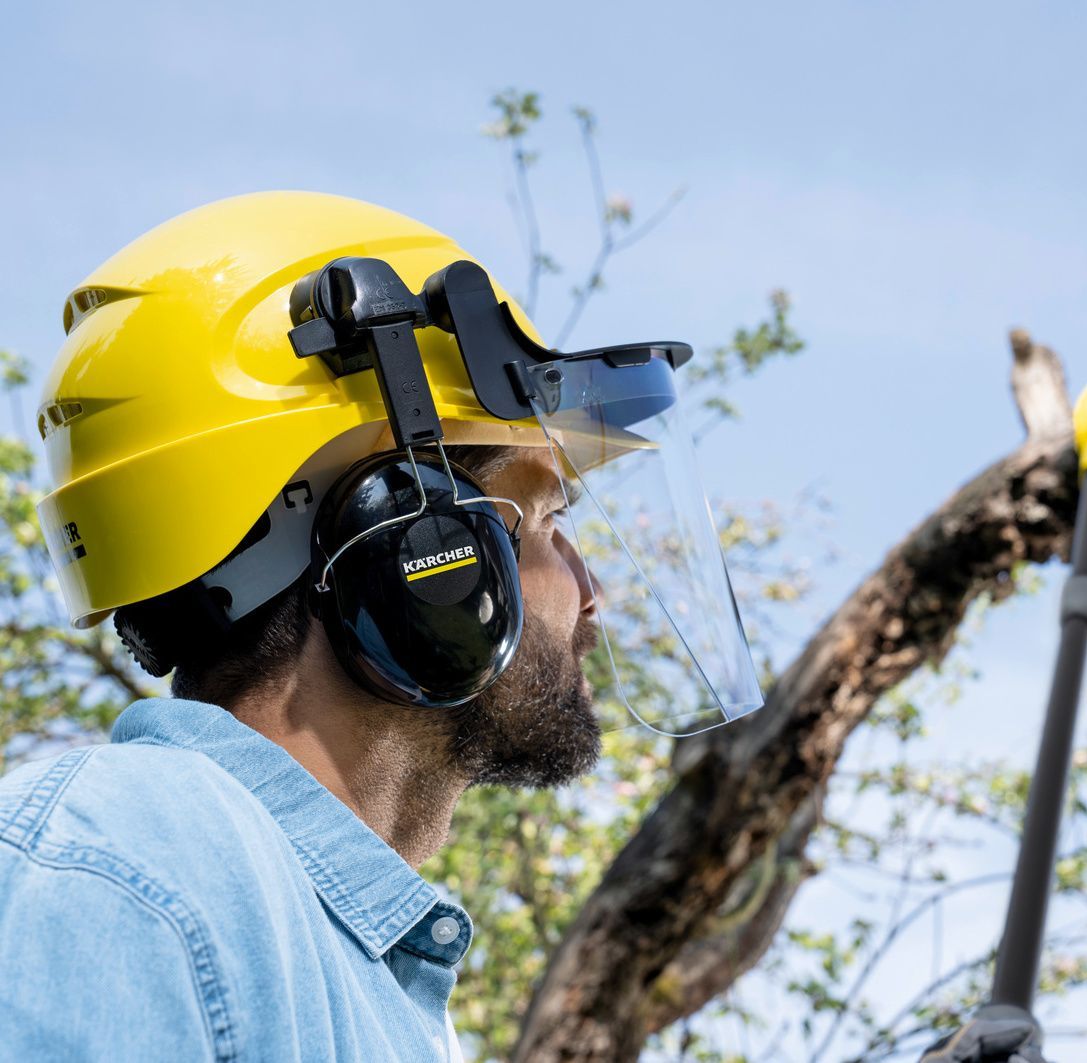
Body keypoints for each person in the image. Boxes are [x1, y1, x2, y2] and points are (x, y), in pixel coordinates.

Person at [0, 192, 762, 1061]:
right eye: (548, 519)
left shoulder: (357, 966)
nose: (594, 593)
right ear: (417, 542)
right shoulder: (122, 871)